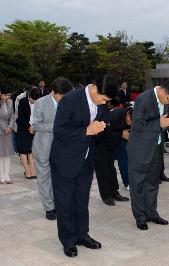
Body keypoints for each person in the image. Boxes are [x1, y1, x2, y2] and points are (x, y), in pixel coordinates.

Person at [50, 74, 119, 257]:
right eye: (103, 98)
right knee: (65, 203)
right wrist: (86, 131)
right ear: (95, 88)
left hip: (86, 160)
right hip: (65, 160)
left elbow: (101, 127)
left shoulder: (102, 105)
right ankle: (68, 240)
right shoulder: (71, 99)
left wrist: (100, 129)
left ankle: (82, 234)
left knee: (81, 200)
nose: (104, 102)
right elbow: (59, 130)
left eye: (107, 100)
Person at [127, 80, 169, 231]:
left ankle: (152, 213)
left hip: (156, 146)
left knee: (152, 182)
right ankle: (140, 217)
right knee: (138, 183)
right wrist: (158, 123)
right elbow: (136, 125)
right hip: (140, 148)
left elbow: (164, 122)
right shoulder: (143, 99)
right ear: (163, 92)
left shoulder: (167, 101)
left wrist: (167, 123)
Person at [32, 77, 73, 221]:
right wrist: (57, 127)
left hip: (63, 148)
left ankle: (61, 204)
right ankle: (49, 208)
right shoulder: (40, 103)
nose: (63, 98)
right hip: (43, 147)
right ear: (53, 92)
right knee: (44, 179)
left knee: (61, 178)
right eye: (61, 95)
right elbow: (35, 125)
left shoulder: (69, 103)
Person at [95, 107, 131, 206]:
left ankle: (114, 193)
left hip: (111, 146)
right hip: (99, 145)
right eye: (130, 121)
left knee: (111, 169)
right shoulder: (113, 116)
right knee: (102, 171)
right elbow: (103, 132)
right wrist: (121, 134)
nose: (130, 123)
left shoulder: (126, 116)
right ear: (128, 115)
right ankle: (106, 196)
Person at [16, 87, 40, 179]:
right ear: (29, 96)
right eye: (32, 100)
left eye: (35, 100)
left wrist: (35, 127)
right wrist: (29, 127)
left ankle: (33, 171)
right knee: (23, 150)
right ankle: (27, 171)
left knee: (32, 151)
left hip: (34, 129)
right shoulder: (22, 101)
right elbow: (20, 117)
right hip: (23, 128)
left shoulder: (39, 101)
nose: (33, 102)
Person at [0, 85, 14, 184]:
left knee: (7, 155)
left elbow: (12, 115)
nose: (7, 97)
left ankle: (7, 175)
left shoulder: (10, 102)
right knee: (1, 155)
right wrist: (5, 128)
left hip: (8, 131)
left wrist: (10, 127)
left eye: (9, 95)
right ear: (1, 94)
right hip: (0, 131)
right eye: (6, 95)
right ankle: (1, 176)